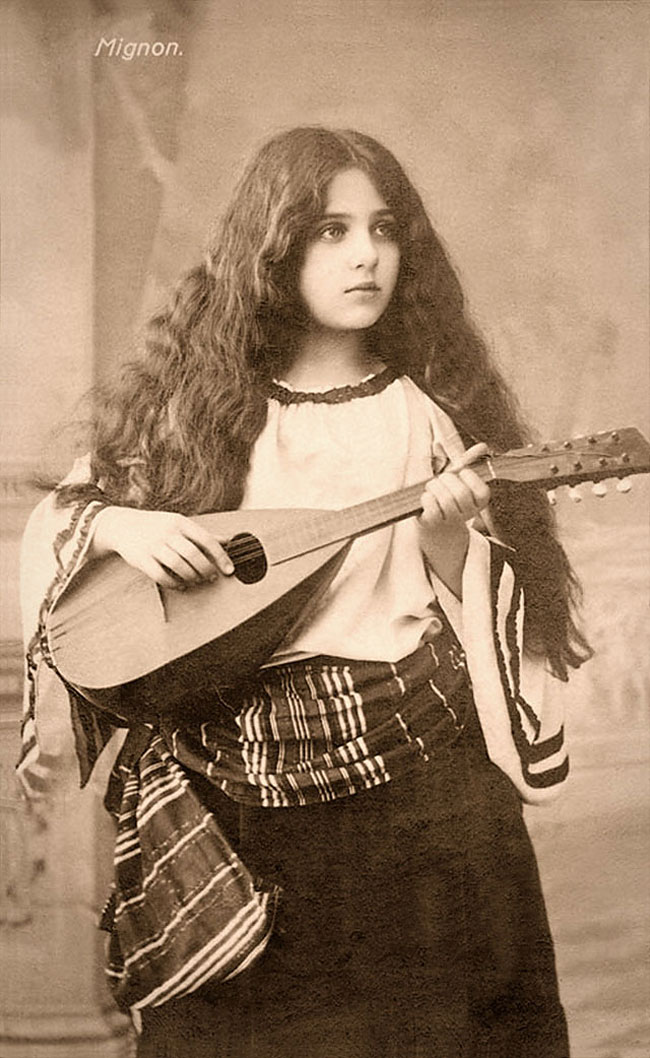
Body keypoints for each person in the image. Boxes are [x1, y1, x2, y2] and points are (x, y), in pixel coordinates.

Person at [18, 127, 591, 1058]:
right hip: (240, 805)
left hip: (419, 798)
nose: (367, 254)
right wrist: (126, 527)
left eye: (384, 229)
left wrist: (447, 541)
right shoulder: (199, 407)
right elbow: (66, 520)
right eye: (332, 230)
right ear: (274, 246)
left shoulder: (428, 413)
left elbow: (493, 609)